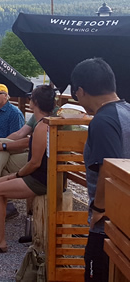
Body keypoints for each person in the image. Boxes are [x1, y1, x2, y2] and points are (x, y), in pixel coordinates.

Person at [0, 85, 55, 253]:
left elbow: (35, 163)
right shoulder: (42, 122)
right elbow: (20, 137)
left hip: (41, 179)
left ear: (35, 102)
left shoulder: (42, 127)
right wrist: (1, 145)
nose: (29, 100)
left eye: (31, 98)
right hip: (39, 175)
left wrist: (16, 175)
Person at [69, 58, 130, 281]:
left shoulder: (103, 121)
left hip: (107, 225)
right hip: (124, 221)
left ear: (81, 91)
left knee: (98, 273)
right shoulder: (126, 111)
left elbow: (108, 167)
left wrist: (98, 208)